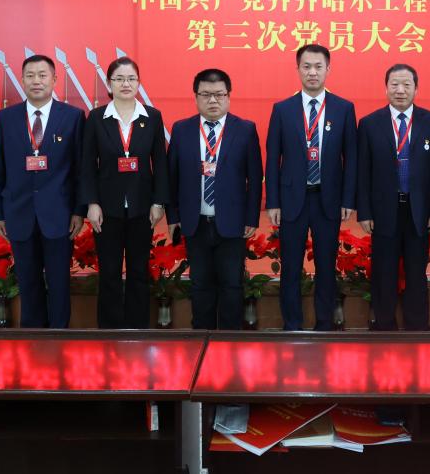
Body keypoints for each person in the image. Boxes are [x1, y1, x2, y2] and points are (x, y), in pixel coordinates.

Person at [0, 54, 85, 328]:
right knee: (28, 282)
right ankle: (32, 337)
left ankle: (59, 335)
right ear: (22, 80)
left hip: (59, 215)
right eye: (30, 75)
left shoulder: (73, 117)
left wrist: (78, 211)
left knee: (59, 282)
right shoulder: (5, 118)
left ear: (54, 79)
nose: (36, 81)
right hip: (19, 212)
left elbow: (80, 170)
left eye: (43, 75)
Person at [266, 44, 357, 331]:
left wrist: (348, 199)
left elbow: (351, 158)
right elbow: (273, 158)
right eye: (306, 66)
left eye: (318, 66)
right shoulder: (283, 109)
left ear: (328, 69)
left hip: (327, 200)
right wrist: (273, 201)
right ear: (298, 69)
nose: (312, 72)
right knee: (291, 267)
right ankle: (292, 325)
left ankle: (324, 325)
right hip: (292, 199)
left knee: (326, 267)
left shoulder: (344, 108)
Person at [167, 69, 263, 330]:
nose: (212, 100)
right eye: (206, 94)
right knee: (200, 285)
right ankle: (202, 337)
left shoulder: (245, 130)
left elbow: (255, 178)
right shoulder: (182, 129)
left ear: (228, 96)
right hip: (195, 221)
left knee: (232, 285)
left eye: (219, 94)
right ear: (196, 97)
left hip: (232, 223)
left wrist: (252, 217)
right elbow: (172, 177)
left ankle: (230, 340)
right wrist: (173, 216)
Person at [80, 57, 168, 329]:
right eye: (119, 79)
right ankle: (109, 330)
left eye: (131, 78)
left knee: (139, 270)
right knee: (109, 271)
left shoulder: (152, 117)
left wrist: (158, 202)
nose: (125, 84)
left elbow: (160, 163)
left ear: (139, 83)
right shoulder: (96, 118)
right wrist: (91, 203)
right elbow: (87, 164)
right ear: (109, 84)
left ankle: (138, 328)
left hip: (142, 206)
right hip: (107, 208)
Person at [357, 64, 430, 331]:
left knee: (417, 272)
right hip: (384, 210)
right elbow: (363, 172)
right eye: (394, 84)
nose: (400, 90)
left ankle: (417, 327)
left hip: (419, 211)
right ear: (386, 88)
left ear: (416, 89)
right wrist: (365, 211)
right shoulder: (370, 124)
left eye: (407, 85)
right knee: (384, 272)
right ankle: (383, 327)